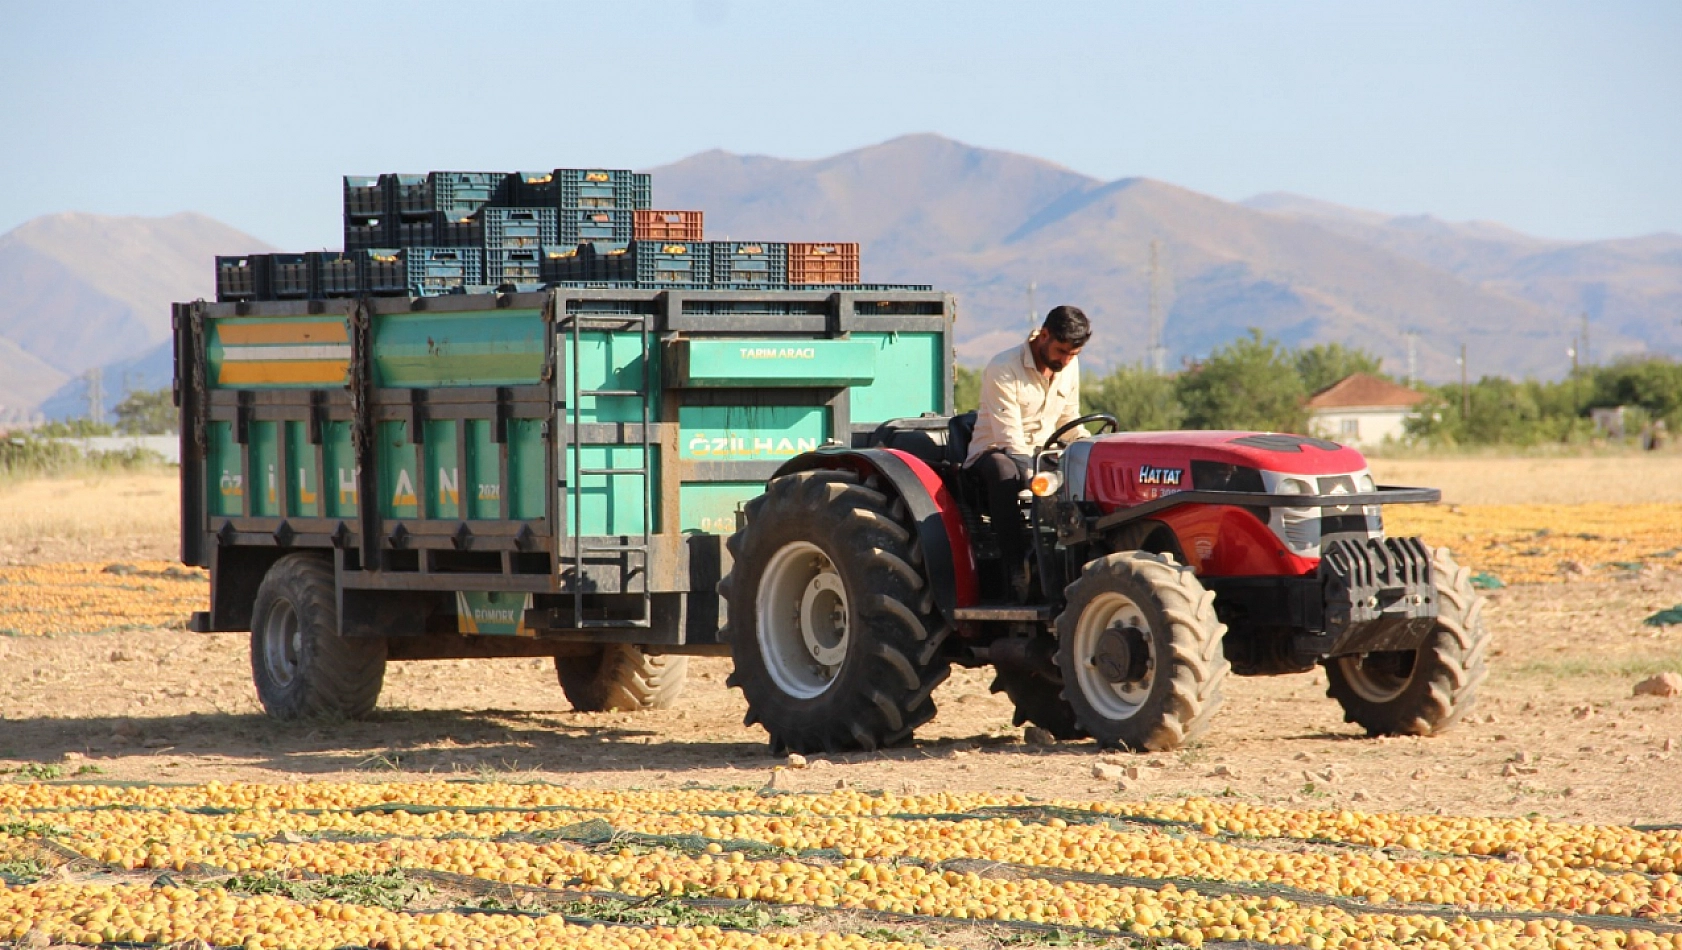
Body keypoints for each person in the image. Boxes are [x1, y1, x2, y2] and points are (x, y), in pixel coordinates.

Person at [963, 305, 1092, 595]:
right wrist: (1036, 473)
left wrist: (1091, 447)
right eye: (1061, 352)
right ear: (1043, 335)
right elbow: (1010, 436)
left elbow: (1068, 421)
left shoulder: (1069, 366)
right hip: (995, 452)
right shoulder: (1003, 367)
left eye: (1074, 355)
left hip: (1042, 454)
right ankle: (1015, 568)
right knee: (1006, 471)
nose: (1066, 360)